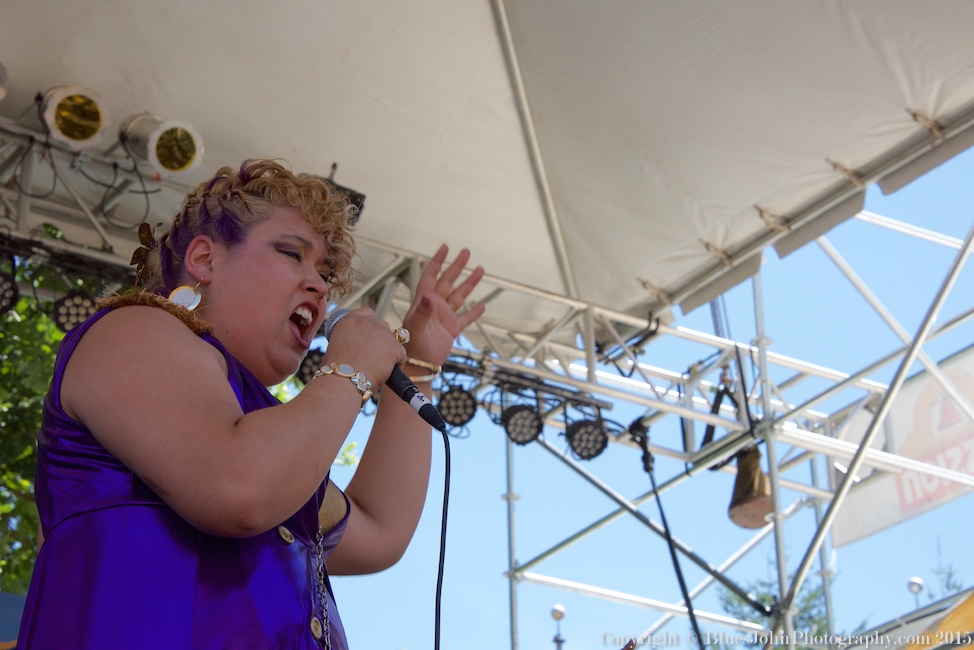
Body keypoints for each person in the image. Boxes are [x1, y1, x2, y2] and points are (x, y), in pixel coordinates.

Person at [17, 158, 486, 649]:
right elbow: (238, 489)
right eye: (291, 253)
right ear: (205, 259)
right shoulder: (135, 329)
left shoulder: (270, 437)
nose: (321, 286)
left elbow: (380, 532)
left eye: (325, 273)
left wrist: (418, 366)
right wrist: (348, 371)